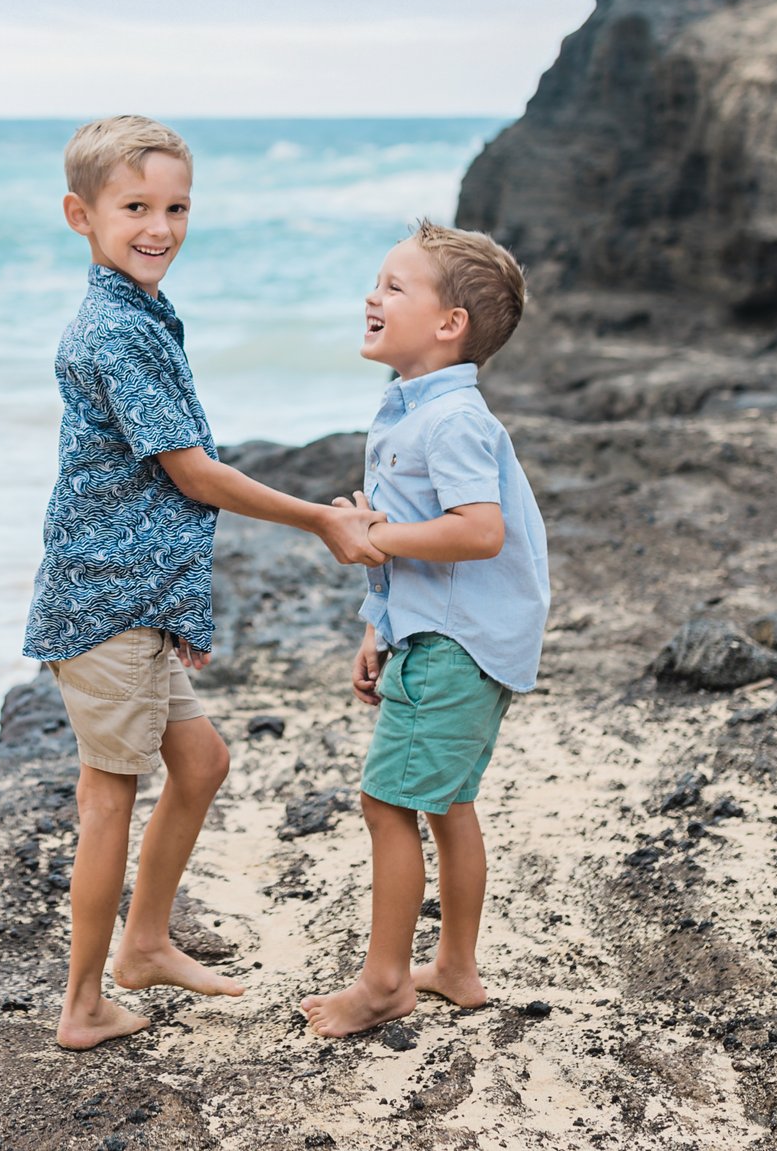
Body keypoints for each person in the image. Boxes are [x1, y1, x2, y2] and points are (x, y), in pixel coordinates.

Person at [25, 114, 387, 1051]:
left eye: (176, 206)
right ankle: (83, 1002)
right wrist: (319, 519)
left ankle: (144, 946)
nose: (160, 226)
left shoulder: (140, 312)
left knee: (204, 761)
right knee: (108, 797)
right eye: (135, 206)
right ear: (81, 214)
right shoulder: (116, 331)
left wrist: (182, 599)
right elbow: (190, 472)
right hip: (106, 600)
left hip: (137, 594)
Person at [300, 221, 550, 1038]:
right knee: (447, 800)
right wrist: (378, 623)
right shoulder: (407, 411)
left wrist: (373, 536)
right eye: (377, 281)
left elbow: (478, 530)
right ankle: (454, 965)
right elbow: (417, 538)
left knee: (385, 799)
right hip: (443, 634)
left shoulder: (452, 421)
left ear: (451, 325)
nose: (373, 296)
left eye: (395, 286)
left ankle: (382, 983)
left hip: (456, 643)